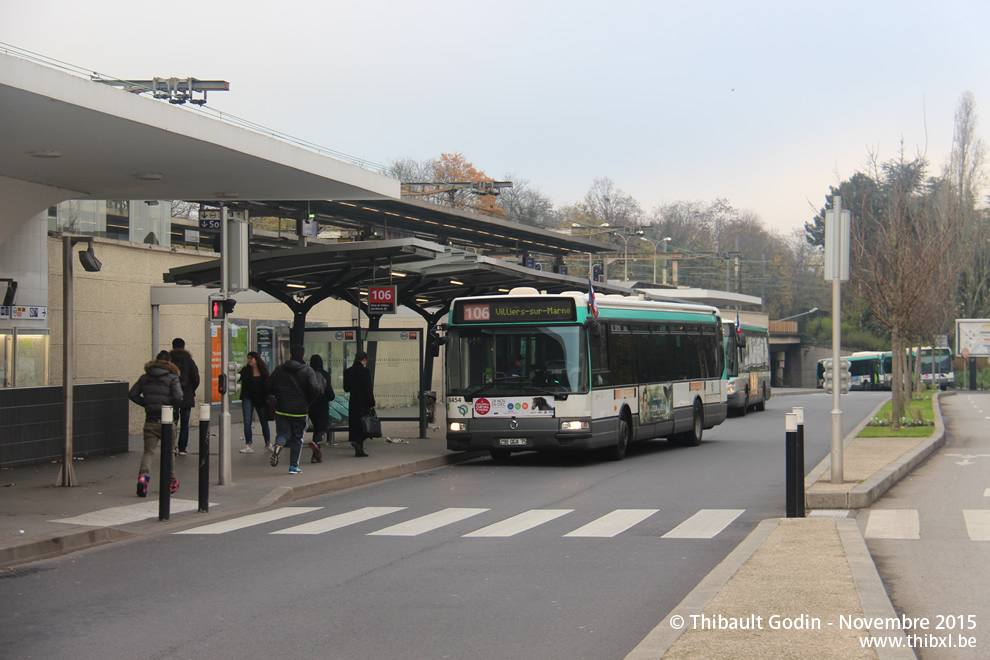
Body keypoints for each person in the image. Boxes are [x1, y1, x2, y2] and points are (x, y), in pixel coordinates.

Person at [128, 350, 183, 497]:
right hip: (166, 420)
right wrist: (170, 406)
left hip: (150, 420)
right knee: (169, 452)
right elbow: (178, 397)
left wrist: (147, 403)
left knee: (148, 451)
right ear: (169, 363)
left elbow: (132, 394)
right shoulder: (173, 378)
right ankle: (171, 481)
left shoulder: (145, 378)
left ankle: (143, 476)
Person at [266, 344, 321, 475]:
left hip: (282, 408)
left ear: (290, 355)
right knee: (297, 438)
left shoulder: (279, 369)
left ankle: (278, 447)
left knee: (283, 434)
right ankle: (293, 466)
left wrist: (276, 395)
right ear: (303, 356)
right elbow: (315, 389)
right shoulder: (308, 371)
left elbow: (268, 384)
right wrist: (309, 401)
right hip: (300, 410)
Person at [168, 338, 200, 456]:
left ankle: (172, 446)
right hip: (186, 396)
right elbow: (196, 378)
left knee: (172, 422)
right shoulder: (189, 361)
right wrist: (191, 390)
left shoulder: (169, 361)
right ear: (183, 347)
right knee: (185, 423)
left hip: (172, 397)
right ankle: (182, 448)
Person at [237, 352, 272, 453]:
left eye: (251, 358)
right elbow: (238, 379)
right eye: (248, 358)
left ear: (256, 359)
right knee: (247, 422)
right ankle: (249, 444)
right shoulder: (245, 370)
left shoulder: (263, 371)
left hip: (261, 399)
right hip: (248, 398)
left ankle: (268, 443)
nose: (249, 360)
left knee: (264, 421)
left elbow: (268, 384)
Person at [343, 350, 375, 457]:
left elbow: (346, 388)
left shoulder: (348, 371)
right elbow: (368, 389)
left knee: (356, 424)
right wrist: (371, 402)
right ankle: (358, 442)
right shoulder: (365, 371)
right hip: (363, 402)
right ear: (364, 360)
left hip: (353, 401)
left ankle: (359, 450)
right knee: (365, 425)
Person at [307, 354, 335, 463]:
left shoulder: (309, 374)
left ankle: (315, 456)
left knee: (317, 428)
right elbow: (329, 391)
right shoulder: (325, 374)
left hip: (311, 406)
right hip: (322, 405)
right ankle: (316, 442)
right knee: (323, 429)